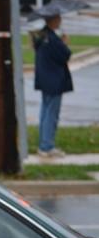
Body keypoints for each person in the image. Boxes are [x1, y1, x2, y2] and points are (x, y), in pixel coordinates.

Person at [33, 9, 73, 158]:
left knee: (45, 112)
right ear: (53, 21)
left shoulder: (42, 36)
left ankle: (44, 143)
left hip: (45, 80)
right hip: (54, 81)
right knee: (51, 114)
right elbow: (65, 55)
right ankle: (47, 146)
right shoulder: (53, 39)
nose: (60, 21)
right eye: (58, 18)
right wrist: (64, 43)